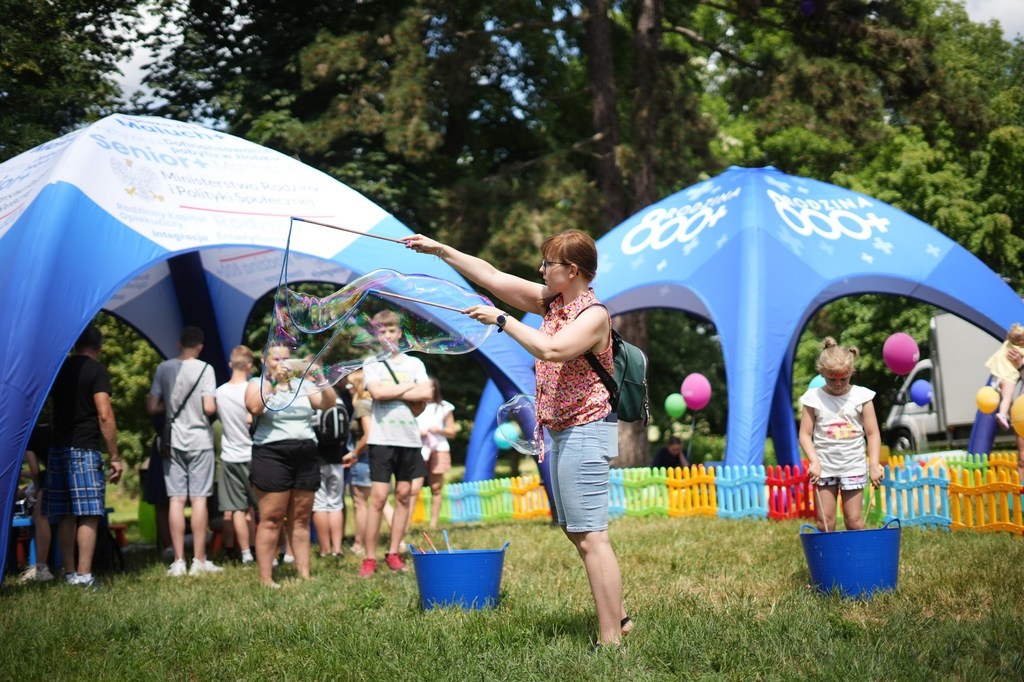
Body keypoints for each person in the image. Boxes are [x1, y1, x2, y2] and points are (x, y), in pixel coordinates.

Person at [403, 229, 631, 647]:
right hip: (563, 430)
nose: (541, 270)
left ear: (573, 270)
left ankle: (611, 639)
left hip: (585, 430)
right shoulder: (553, 301)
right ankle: (619, 617)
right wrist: (441, 249)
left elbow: (553, 350)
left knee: (592, 537)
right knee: (576, 532)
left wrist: (503, 321)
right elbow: (491, 276)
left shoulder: (592, 314)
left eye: (548, 264)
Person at [245, 345, 336, 588]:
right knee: (272, 518)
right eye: (277, 358)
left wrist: (318, 375)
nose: (283, 362)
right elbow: (254, 407)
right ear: (266, 360)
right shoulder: (258, 383)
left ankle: (303, 573)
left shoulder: (303, 386)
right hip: (271, 454)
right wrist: (274, 381)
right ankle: (266, 578)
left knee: (300, 519)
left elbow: (328, 403)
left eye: (287, 358)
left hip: (305, 452)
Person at [43, 325, 125, 587]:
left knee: (66, 514)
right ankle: (84, 575)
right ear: (98, 348)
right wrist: (114, 455)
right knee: (89, 512)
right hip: (85, 448)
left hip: (58, 448)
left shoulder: (59, 368)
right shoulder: (97, 371)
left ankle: (68, 573)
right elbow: (104, 413)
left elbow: (53, 411)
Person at [359, 310, 433, 577]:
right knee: (378, 498)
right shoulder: (372, 363)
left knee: (404, 496)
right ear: (376, 334)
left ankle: (393, 552)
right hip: (381, 439)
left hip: (409, 440)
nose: (387, 335)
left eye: (391, 330)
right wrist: (408, 391)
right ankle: (369, 557)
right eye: (381, 331)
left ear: (400, 333)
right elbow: (376, 392)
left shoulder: (414, 364)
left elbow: (427, 393)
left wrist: (397, 392)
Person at [147, 326, 222, 577]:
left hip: (173, 440)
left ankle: (178, 560)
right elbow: (209, 407)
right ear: (200, 347)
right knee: (199, 498)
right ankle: (199, 560)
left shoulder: (164, 368)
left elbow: (152, 405)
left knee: (176, 499)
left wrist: (172, 403)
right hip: (199, 439)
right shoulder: (206, 369)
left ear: (179, 344)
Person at [798, 337, 883, 533]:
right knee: (825, 522)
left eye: (843, 378)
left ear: (851, 372)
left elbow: (873, 433)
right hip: (824, 468)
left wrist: (873, 464)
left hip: (853, 466)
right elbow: (804, 434)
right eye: (832, 378)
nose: (838, 384)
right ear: (822, 373)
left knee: (853, 521)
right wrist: (814, 462)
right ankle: (829, 563)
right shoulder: (813, 398)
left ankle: (855, 560)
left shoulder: (862, 396)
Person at [215, 345, 257, 565]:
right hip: (252, 453)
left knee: (238, 509)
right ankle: (258, 548)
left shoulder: (219, 392)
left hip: (230, 456)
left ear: (231, 364)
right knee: (256, 507)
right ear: (249, 365)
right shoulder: (253, 388)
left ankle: (246, 554)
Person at [312, 393, 349, 558]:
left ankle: (324, 549)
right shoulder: (336, 398)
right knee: (335, 504)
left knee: (319, 505)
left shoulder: (309, 398)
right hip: (336, 458)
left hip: (316, 458)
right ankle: (337, 549)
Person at [417, 377, 456, 529]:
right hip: (419, 449)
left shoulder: (444, 407)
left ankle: (433, 522)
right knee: (414, 487)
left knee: (436, 487)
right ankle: (407, 522)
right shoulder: (415, 406)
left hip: (439, 448)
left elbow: (452, 431)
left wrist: (439, 429)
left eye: (431, 387)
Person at [17, 422, 54, 583]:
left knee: (39, 517)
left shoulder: (27, 436)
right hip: (67, 470)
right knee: (68, 518)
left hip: (52, 477)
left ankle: (41, 568)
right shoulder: (46, 428)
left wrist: (38, 490)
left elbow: (35, 471)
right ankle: (69, 568)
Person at [343, 369, 373, 557]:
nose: (347, 388)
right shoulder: (369, 403)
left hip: (362, 460)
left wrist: (354, 454)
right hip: (367, 459)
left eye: (349, 384)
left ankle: (359, 543)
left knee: (359, 503)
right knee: (378, 502)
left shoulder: (362, 405)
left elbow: (368, 436)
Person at [984, 322, 1024, 430]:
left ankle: (1005, 415)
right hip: (1008, 379)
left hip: (996, 377)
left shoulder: (1007, 343)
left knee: (1005, 399)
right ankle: (1002, 414)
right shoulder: (1020, 350)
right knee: (1007, 398)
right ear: (1021, 342)